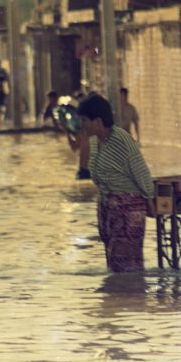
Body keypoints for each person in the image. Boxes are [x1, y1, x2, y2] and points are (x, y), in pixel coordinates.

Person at [77, 93, 155, 272]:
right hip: (107, 207)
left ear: (97, 122)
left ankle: (131, 297)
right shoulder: (96, 142)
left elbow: (140, 171)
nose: (82, 125)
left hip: (128, 210)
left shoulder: (121, 140)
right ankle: (117, 297)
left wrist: (149, 199)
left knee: (126, 264)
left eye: (84, 121)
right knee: (113, 261)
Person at [67, 91, 92, 179]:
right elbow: (75, 148)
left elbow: (74, 148)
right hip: (84, 171)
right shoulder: (81, 129)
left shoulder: (92, 129)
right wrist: (67, 132)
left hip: (89, 171)